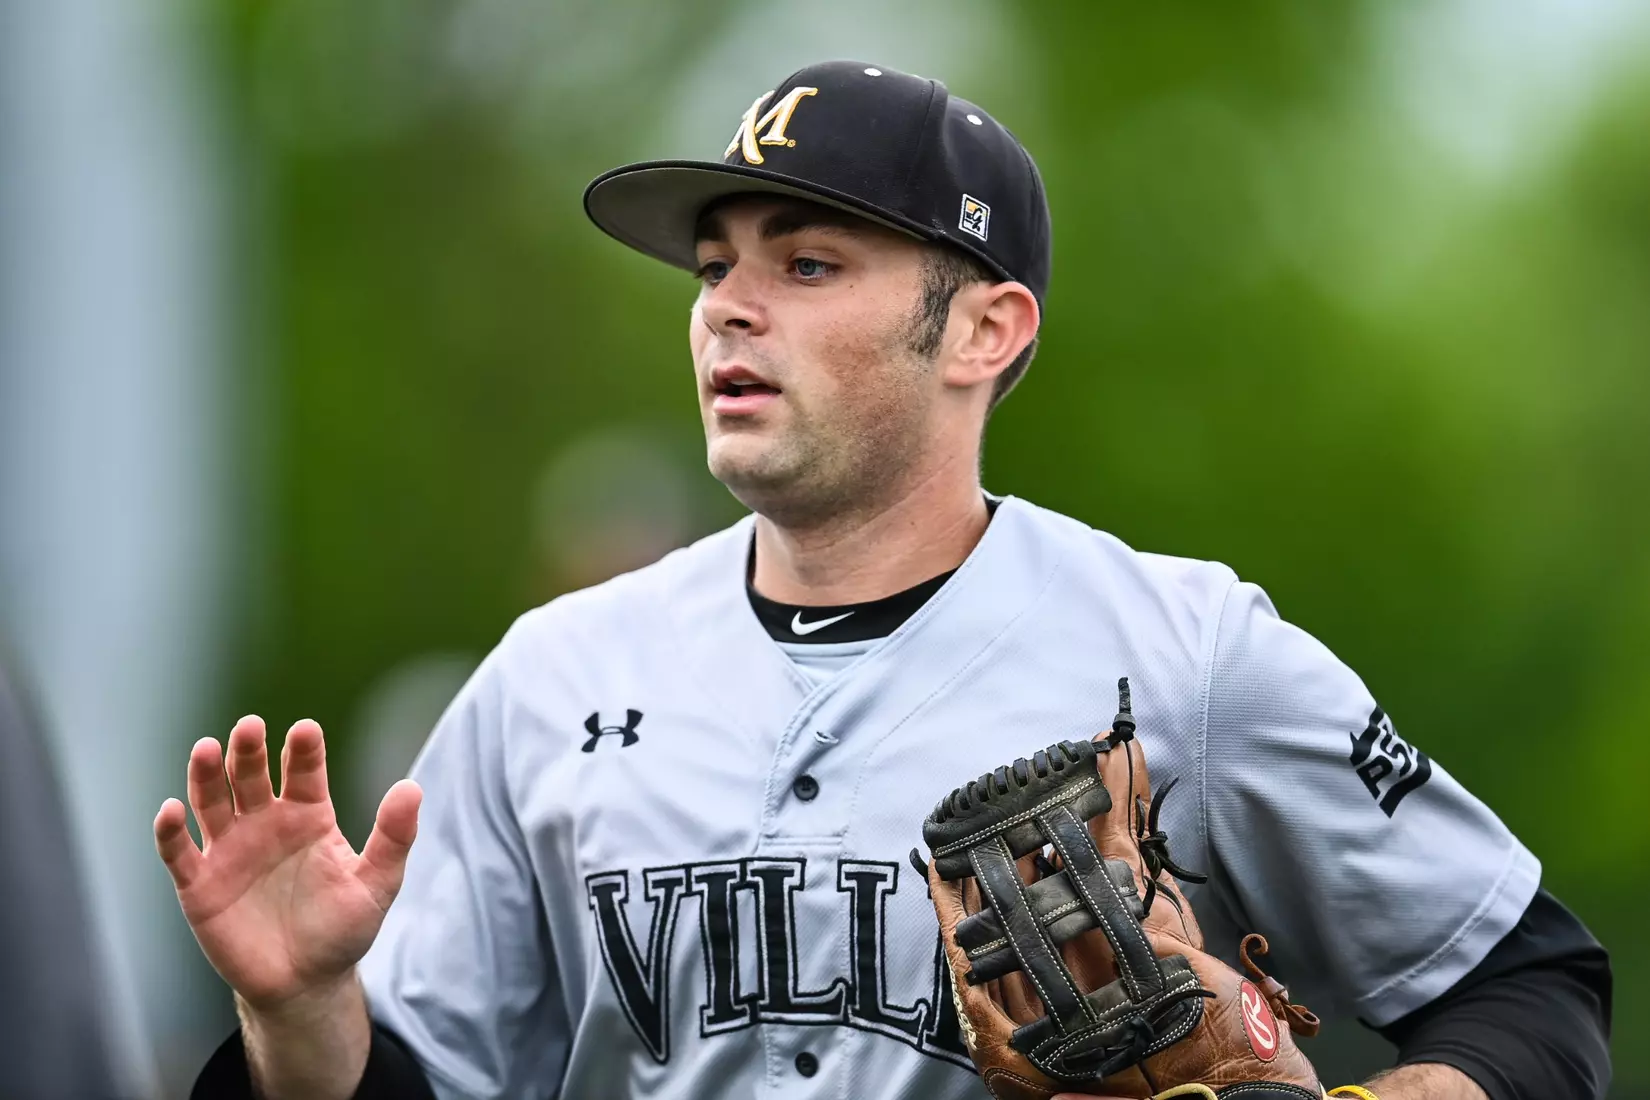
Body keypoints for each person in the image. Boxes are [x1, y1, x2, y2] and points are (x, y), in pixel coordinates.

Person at [160, 61, 1611, 1100]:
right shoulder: (551, 681)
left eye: (805, 264)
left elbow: (1529, 988)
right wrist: (299, 1015)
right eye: (715, 264)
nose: (726, 302)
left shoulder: (1186, 653)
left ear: (981, 329)